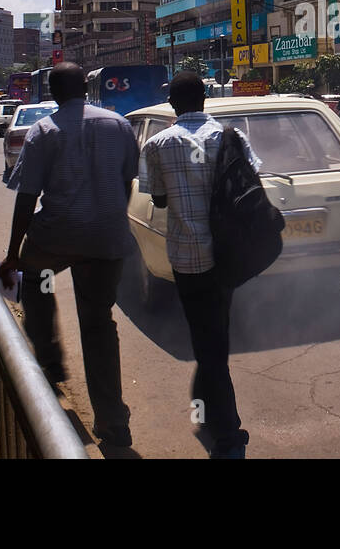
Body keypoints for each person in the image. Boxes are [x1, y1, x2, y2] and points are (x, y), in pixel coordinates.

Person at [0, 62, 140, 449]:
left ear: (54, 92)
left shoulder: (44, 130)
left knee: (35, 283)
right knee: (98, 324)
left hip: (56, 237)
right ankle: (113, 423)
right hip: (106, 239)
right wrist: (111, 218)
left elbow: (27, 195)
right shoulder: (119, 125)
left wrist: (13, 253)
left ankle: (49, 357)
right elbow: (127, 179)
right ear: (85, 88)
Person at [139, 71, 262, 459]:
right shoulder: (232, 137)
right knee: (214, 334)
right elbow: (252, 180)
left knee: (208, 345)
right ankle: (210, 405)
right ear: (206, 98)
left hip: (187, 257)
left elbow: (157, 201)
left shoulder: (158, 145)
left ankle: (227, 433)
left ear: (173, 104)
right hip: (227, 256)